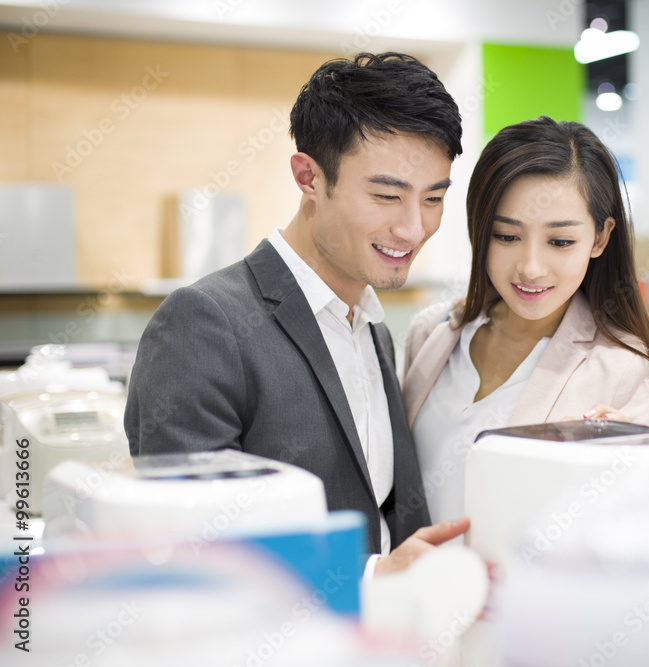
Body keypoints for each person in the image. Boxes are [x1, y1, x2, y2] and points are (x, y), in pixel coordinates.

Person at [125, 53, 468, 575]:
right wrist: (372, 578)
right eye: (385, 195)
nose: (413, 229)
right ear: (308, 177)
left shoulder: (371, 326)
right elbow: (190, 550)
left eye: (434, 199)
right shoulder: (203, 323)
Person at [402, 116, 649, 524]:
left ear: (601, 238)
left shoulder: (627, 370)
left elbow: (639, 529)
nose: (531, 268)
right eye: (506, 236)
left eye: (560, 242)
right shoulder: (430, 333)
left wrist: (620, 472)